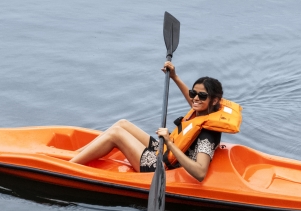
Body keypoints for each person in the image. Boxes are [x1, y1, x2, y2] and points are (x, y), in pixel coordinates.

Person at [68, 62, 225, 182]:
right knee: (122, 124)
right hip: (165, 152)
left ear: (214, 100)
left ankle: (70, 166)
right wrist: (174, 77)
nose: (195, 98)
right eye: (193, 93)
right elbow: (194, 101)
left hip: (160, 167)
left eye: (202, 96)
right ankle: (75, 154)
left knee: (116, 134)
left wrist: (169, 143)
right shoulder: (206, 111)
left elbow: (200, 172)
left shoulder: (207, 135)